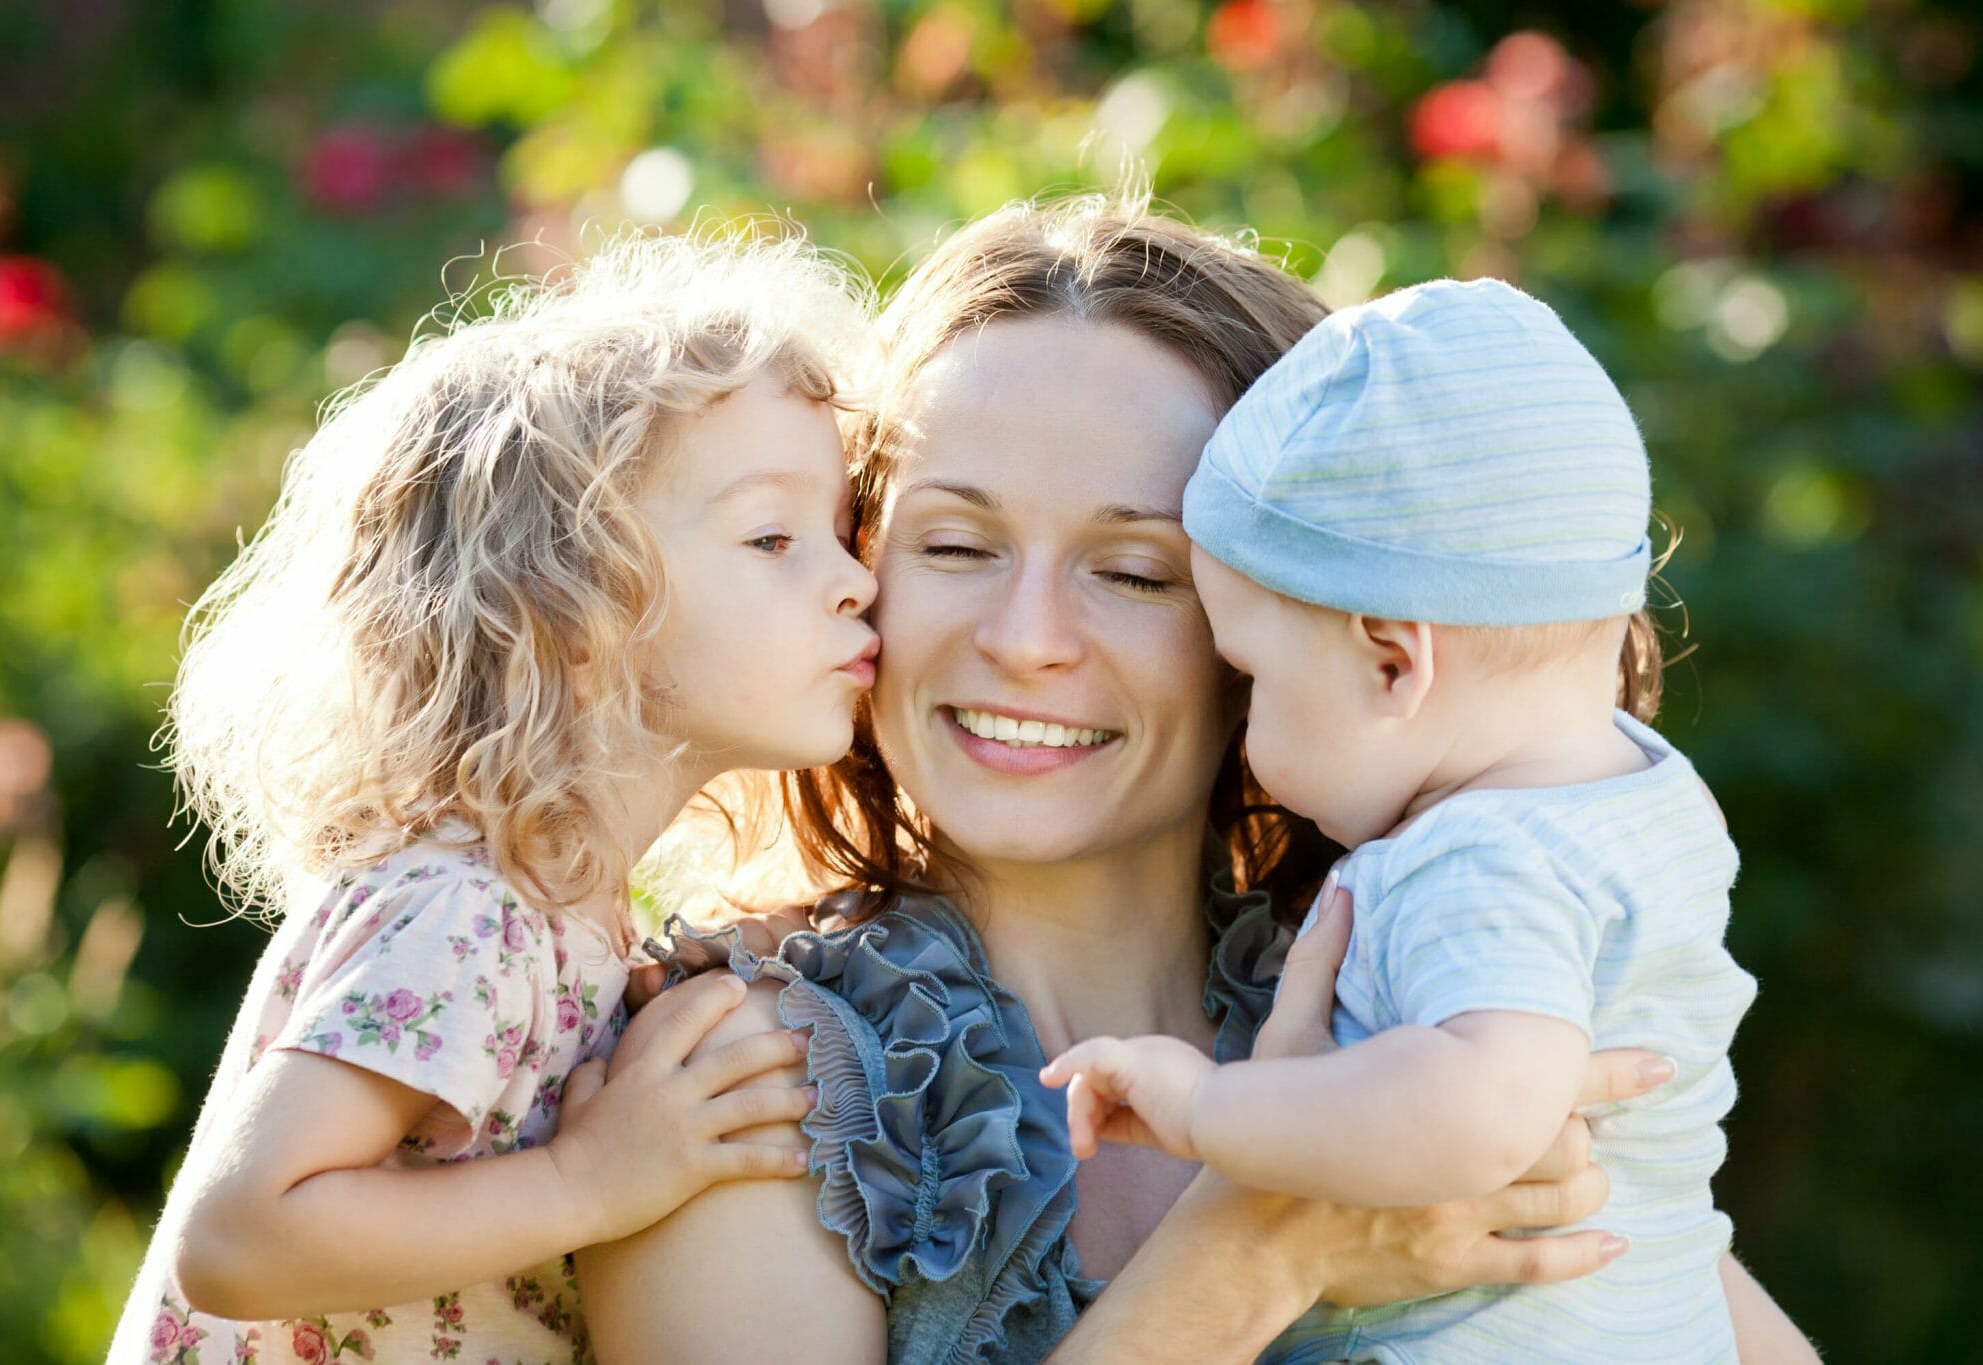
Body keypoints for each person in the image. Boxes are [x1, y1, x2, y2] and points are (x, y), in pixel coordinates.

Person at [577, 198, 1817, 1363]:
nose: (1024, 637)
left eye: (1134, 572)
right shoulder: (746, 1079)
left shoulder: (1434, 992)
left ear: (1313, 632)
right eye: (954, 545)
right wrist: (1255, 1250)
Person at [108, 232, 882, 1364]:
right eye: (774, 537)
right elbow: (240, 1234)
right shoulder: (470, 909)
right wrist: (586, 1180)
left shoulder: (557, 912)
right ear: (570, 611)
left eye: (842, 533)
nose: (856, 578)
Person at [1041, 277, 1755, 1361]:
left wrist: (1208, 1113)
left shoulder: (1472, 856)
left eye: (1253, 677)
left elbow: (1474, 1115)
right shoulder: (1648, 797)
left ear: (1391, 663)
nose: (1244, 732)